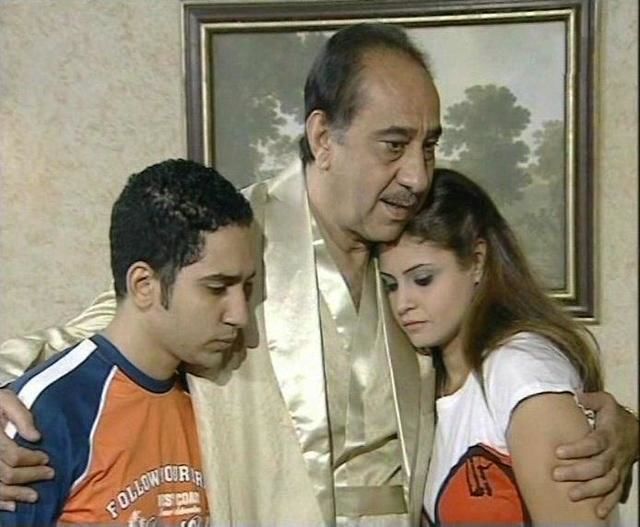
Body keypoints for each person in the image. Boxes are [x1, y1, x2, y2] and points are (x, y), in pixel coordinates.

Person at [0, 23, 637, 526]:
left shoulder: (412, 258)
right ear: (323, 137)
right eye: (394, 145)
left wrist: (623, 428)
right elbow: (98, 335)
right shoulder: (240, 239)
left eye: (429, 146)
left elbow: (509, 361)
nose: (417, 175)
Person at [0, 159, 256, 525]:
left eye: (247, 288)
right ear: (144, 285)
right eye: (216, 288)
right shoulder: (46, 412)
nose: (240, 315)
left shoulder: (215, 400)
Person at [378, 168, 626, 525]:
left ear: (477, 262)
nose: (403, 303)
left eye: (423, 279)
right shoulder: (428, 379)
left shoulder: (521, 370)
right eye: (390, 285)